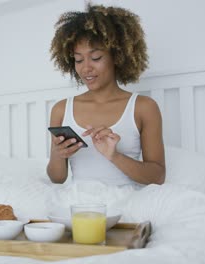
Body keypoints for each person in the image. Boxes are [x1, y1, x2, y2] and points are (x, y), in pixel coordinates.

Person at [47, 4, 165, 187]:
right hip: (80, 207)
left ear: (117, 56)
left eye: (96, 58)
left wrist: (114, 156)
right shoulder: (61, 110)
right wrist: (57, 153)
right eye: (78, 60)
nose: (86, 68)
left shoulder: (143, 107)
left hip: (126, 208)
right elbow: (57, 178)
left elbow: (157, 176)